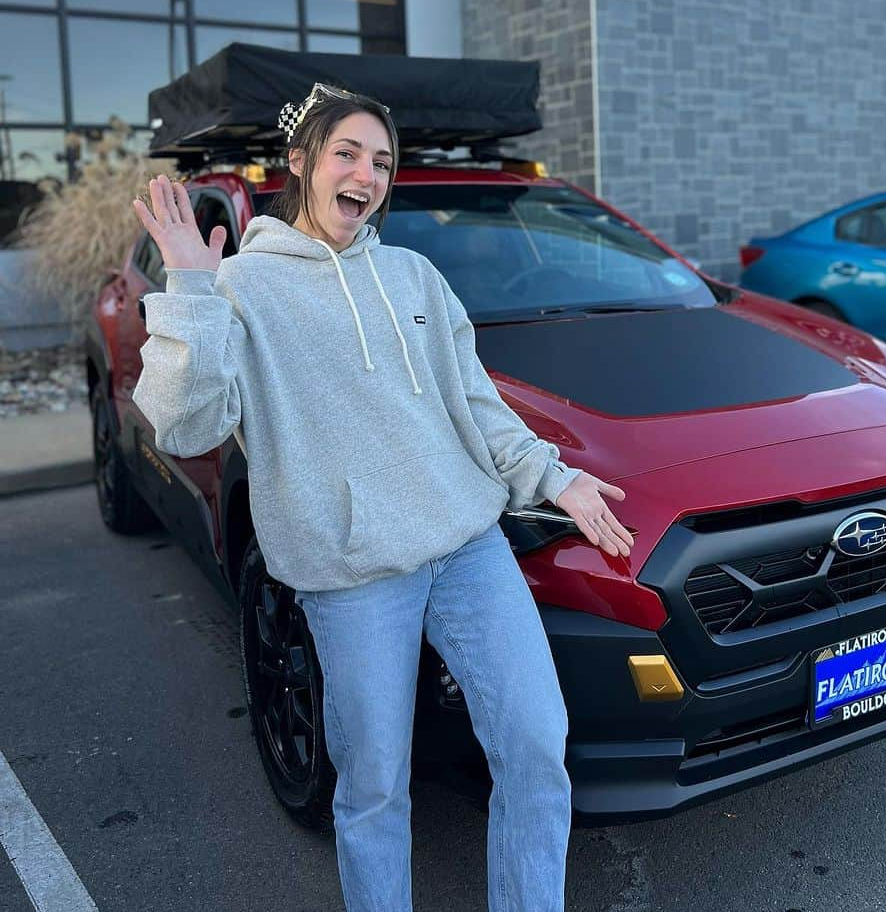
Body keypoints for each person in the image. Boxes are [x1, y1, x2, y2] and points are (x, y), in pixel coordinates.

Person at [130, 81, 634, 912]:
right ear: (300, 163)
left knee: (538, 748)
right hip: (355, 576)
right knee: (372, 788)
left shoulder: (414, 276)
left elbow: (476, 405)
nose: (366, 174)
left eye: (382, 161)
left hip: (470, 550)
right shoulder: (240, 289)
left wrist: (555, 475)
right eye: (346, 153)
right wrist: (189, 289)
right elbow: (184, 428)